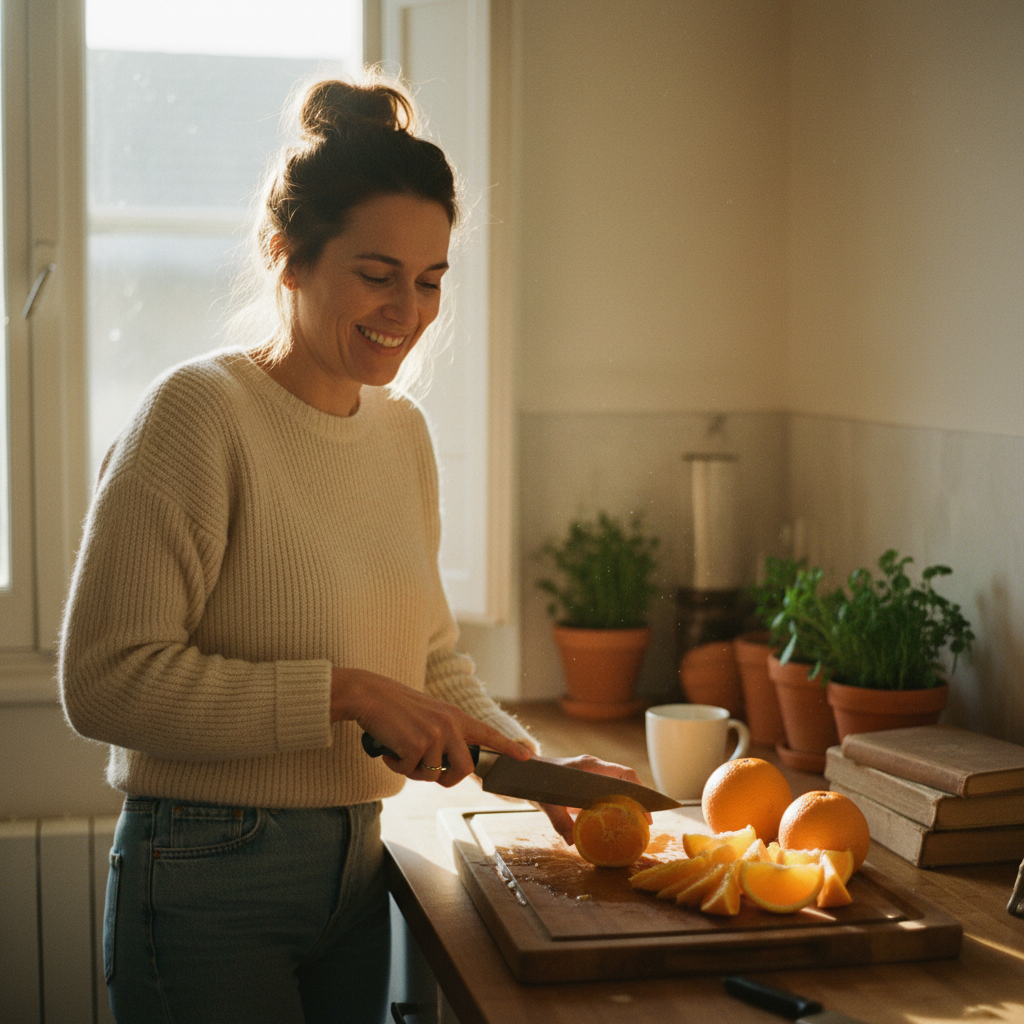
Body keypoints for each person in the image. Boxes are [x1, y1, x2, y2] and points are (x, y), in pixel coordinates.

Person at [59, 76, 647, 1024]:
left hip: (361, 867)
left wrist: (536, 769)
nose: (408, 312)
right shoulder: (198, 415)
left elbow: (427, 660)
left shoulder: (402, 435)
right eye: (377, 275)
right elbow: (103, 682)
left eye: (431, 280)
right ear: (287, 255)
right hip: (208, 875)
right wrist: (344, 690)